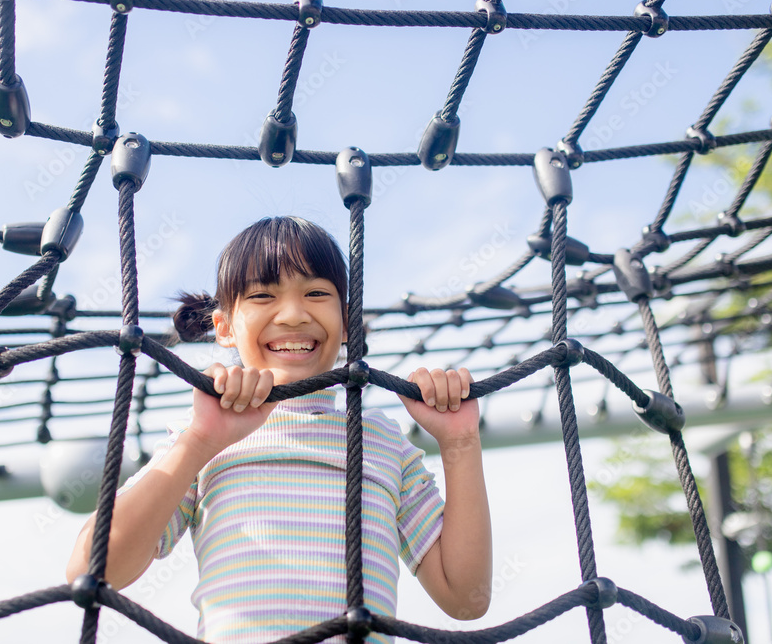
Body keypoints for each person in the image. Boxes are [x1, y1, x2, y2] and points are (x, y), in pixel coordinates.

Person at [67, 216, 492, 644]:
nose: (292, 315)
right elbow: (91, 569)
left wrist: (460, 442)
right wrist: (199, 441)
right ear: (224, 328)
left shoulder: (380, 440)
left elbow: (465, 599)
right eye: (262, 296)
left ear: (347, 322)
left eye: (316, 293)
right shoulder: (203, 436)